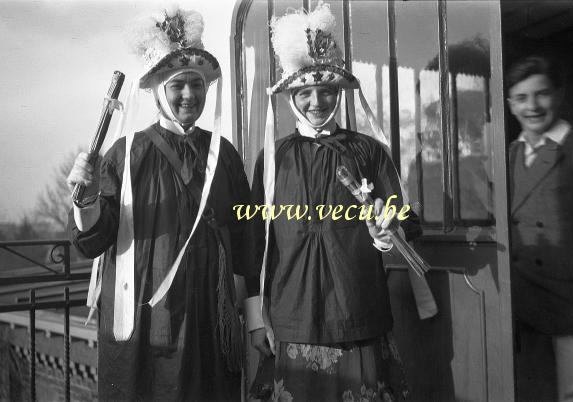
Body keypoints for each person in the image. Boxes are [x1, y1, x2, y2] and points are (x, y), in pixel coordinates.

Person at [66, 6, 257, 401]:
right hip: (144, 321)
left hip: (210, 320)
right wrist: (84, 198)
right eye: (178, 85)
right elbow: (92, 242)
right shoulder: (125, 155)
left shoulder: (225, 156)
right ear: (158, 90)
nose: (189, 94)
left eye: (197, 84)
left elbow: (247, 238)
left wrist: (252, 316)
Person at [245, 3, 422, 401]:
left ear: (337, 95)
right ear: (292, 97)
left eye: (326, 91)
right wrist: (257, 319)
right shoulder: (273, 160)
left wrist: (385, 230)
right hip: (292, 315)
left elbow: (407, 222)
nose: (316, 101)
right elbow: (255, 241)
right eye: (305, 92)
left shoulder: (368, 152)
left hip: (358, 311)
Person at [507, 55, 573, 401]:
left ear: (557, 96)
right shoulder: (512, 154)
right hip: (526, 314)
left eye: (541, 94)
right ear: (510, 105)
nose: (532, 106)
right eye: (521, 97)